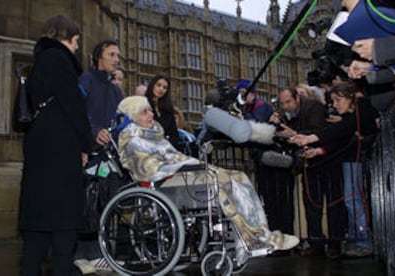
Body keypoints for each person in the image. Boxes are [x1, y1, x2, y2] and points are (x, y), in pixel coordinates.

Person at [116, 96, 300, 266]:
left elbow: (175, 157)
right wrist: (186, 165)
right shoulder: (132, 139)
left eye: (150, 110)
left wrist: (188, 163)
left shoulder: (154, 134)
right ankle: (254, 240)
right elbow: (148, 170)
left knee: (239, 177)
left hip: (181, 175)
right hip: (164, 183)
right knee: (221, 180)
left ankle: (258, 236)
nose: (152, 114)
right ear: (133, 116)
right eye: (145, 111)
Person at [18, 15, 93, 276]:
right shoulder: (60, 61)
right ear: (68, 38)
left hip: (39, 150)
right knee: (64, 229)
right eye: (76, 42)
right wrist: (87, 144)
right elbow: (74, 107)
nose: (76, 47)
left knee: (36, 234)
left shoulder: (37, 64)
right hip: (60, 154)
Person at [290, 81, 380, 257]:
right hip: (354, 158)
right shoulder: (351, 114)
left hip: (362, 159)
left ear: (351, 98)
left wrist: (311, 138)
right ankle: (357, 239)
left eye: (339, 100)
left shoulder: (361, 109)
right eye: (333, 101)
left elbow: (343, 129)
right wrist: (318, 150)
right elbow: (342, 137)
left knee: (354, 200)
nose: (335, 105)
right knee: (352, 200)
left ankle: (363, 241)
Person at [271, 87, 346, 258]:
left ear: (297, 98)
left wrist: (294, 133)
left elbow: (318, 132)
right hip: (309, 163)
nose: (286, 106)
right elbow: (290, 139)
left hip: (328, 160)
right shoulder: (290, 115)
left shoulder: (313, 107)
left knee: (333, 202)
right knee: (311, 203)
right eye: (282, 103)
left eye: (288, 102)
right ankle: (316, 242)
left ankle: (335, 243)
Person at [74, 40, 124, 274]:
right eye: (112, 54)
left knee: (102, 203)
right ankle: (82, 254)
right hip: (87, 151)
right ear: (98, 57)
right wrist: (92, 134)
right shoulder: (86, 81)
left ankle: (95, 253)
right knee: (86, 204)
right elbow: (74, 112)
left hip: (106, 155)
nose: (117, 59)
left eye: (118, 55)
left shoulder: (115, 90)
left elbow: (117, 122)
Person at [145, 74, 180, 149]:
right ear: (152, 85)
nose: (161, 89)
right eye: (158, 85)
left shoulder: (168, 110)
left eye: (165, 88)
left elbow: (175, 135)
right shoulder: (144, 104)